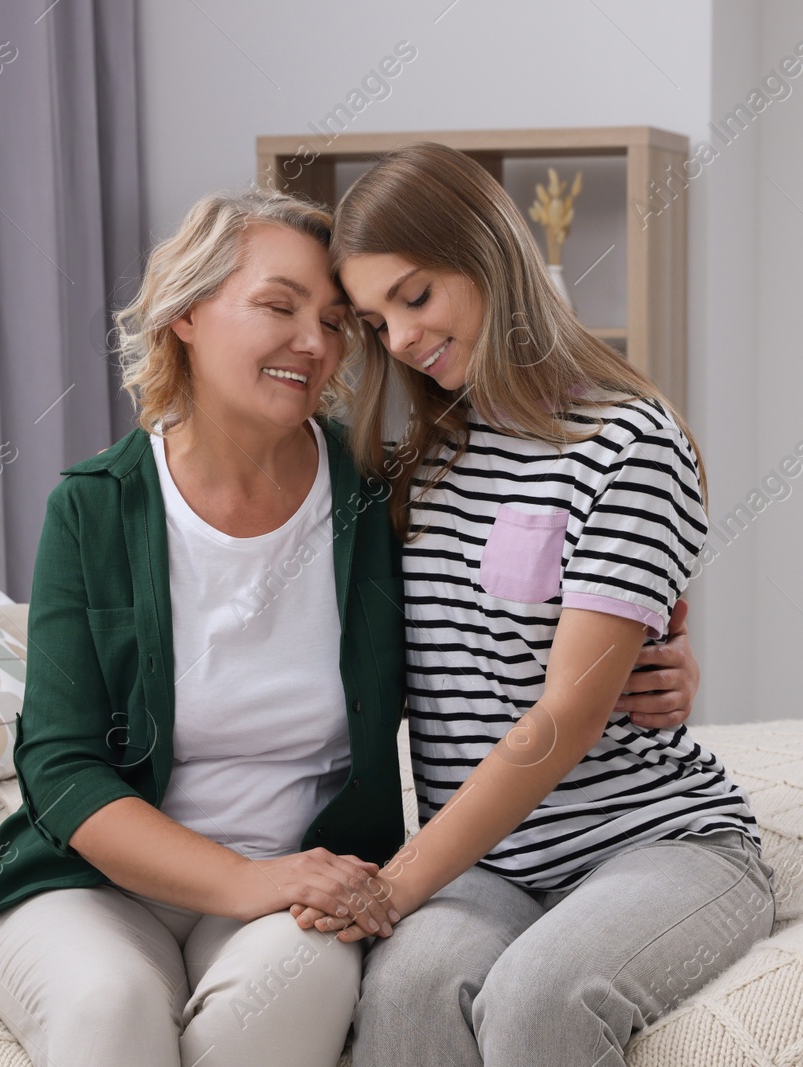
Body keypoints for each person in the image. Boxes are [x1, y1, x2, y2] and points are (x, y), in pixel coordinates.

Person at [0, 185, 702, 1067]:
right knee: (111, 1010)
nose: (316, 342)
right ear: (186, 313)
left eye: (340, 321)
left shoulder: (378, 498)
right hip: (102, 883)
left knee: (283, 1004)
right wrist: (246, 879)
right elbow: (60, 765)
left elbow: (505, 619)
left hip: (308, 887)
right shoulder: (94, 508)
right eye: (279, 306)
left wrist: (655, 664)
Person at [290, 142, 774, 1067]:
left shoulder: (629, 441)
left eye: (417, 295)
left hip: (657, 843)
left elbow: (564, 716)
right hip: (493, 865)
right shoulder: (424, 462)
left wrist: (391, 888)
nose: (399, 340)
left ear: (490, 253)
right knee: (404, 995)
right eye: (375, 318)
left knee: (538, 1001)